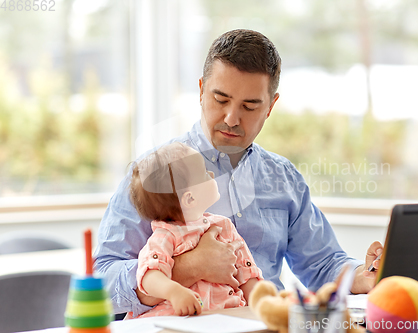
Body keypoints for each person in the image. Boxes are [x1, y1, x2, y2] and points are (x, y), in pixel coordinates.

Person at [94, 29, 383, 318]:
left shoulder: (284, 178)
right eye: (220, 100)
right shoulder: (154, 173)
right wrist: (189, 266)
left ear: (270, 107)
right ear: (201, 91)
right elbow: (102, 285)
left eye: (249, 106)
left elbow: (322, 264)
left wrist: (363, 274)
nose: (232, 118)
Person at [126, 142, 262, 318]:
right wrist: (174, 292)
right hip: (177, 320)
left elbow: (247, 275)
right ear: (189, 199)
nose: (212, 174)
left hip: (227, 318)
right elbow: (149, 275)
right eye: (205, 173)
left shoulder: (224, 226)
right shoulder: (165, 236)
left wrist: (265, 301)